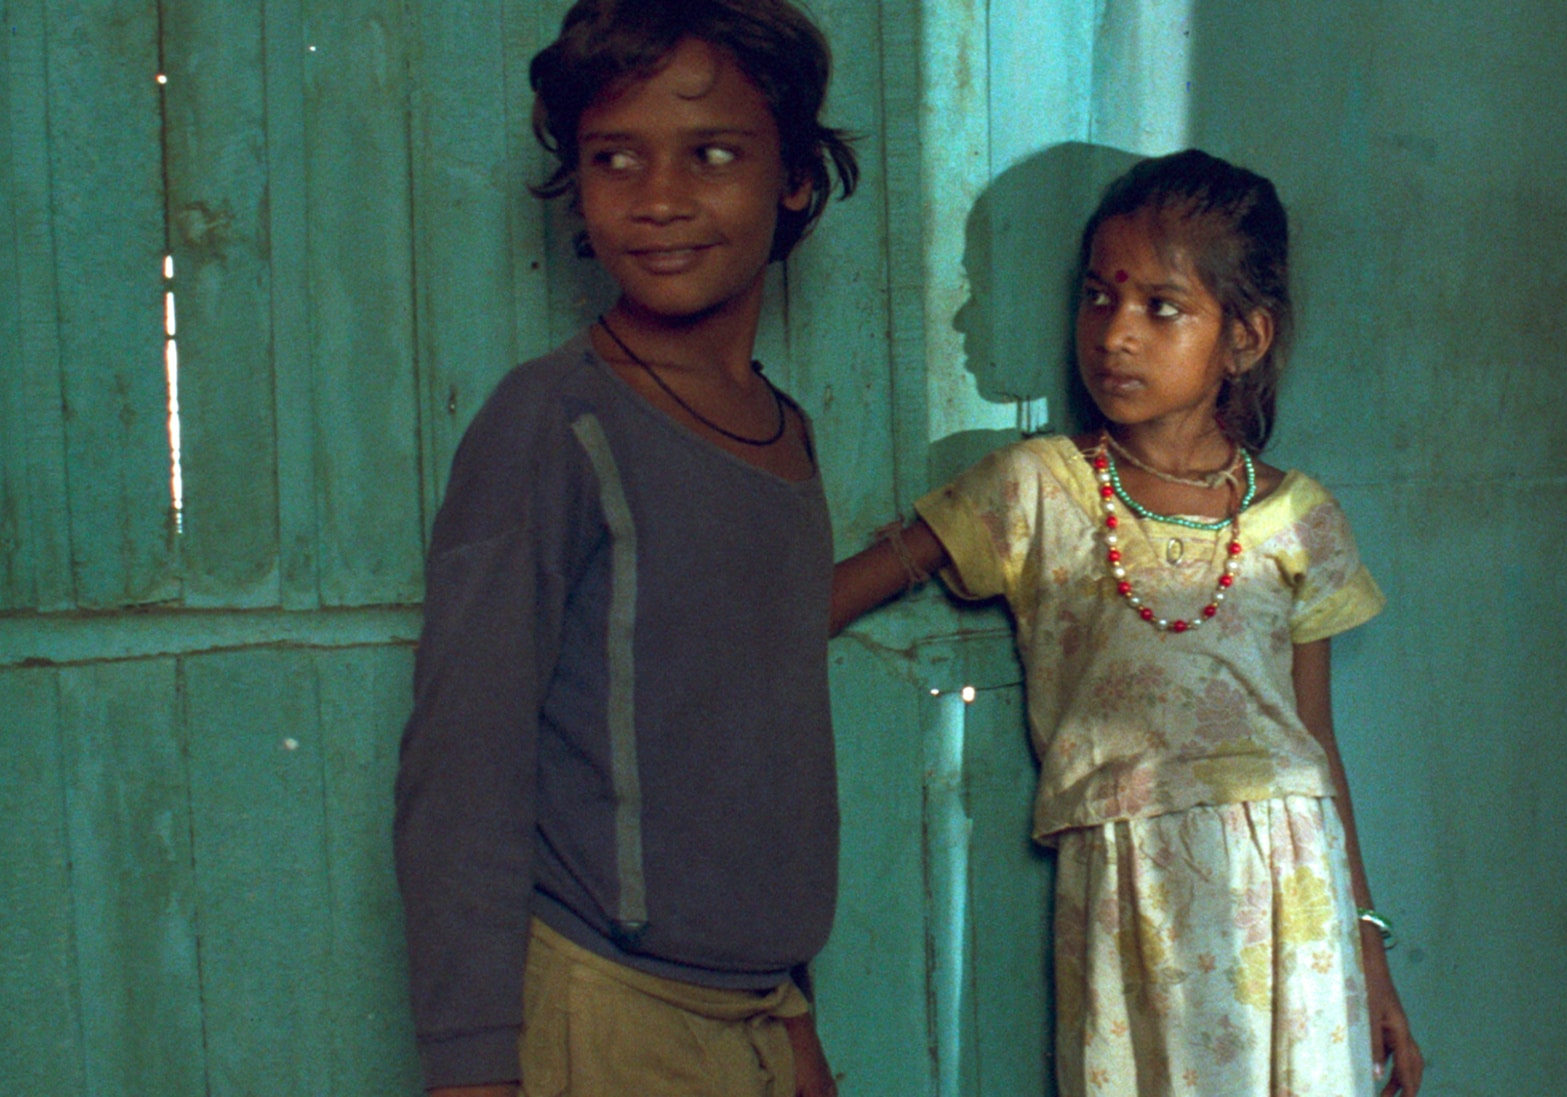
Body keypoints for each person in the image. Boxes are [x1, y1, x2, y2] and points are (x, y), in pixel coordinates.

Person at [832, 149, 1425, 1097]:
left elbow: (1316, 741)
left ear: (1245, 337)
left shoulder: (1297, 517)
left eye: (1162, 306)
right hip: (1132, 892)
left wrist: (1369, 946)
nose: (1116, 333)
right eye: (1099, 297)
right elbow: (859, 583)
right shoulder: (1039, 489)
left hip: (1295, 901)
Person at [394, 2, 858, 1095]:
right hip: (600, 1005)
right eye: (614, 157)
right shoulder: (552, 423)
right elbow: (462, 766)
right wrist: (470, 1067)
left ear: (795, 177)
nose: (659, 198)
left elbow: (750, 756)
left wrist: (790, 1010)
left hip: (756, 1009)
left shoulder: (784, 433)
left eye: (713, 154)